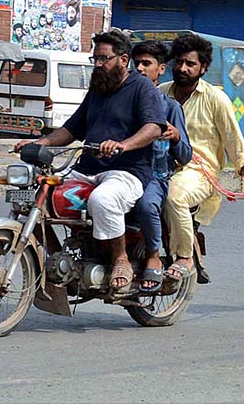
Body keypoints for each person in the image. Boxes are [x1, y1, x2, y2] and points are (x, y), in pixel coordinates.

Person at [14, 30, 167, 292]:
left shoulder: (141, 87)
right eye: (94, 59)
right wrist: (42, 143)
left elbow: (154, 127)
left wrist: (123, 144)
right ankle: (55, 257)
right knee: (33, 198)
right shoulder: (98, 90)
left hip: (127, 171)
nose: (97, 65)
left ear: (123, 59)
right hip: (87, 169)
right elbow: (72, 129)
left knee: (102, 199)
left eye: (103, 59)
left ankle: (121, 260)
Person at [158, 34, 244, 281]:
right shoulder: (160, 94)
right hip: (160, 166)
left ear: (203, 68)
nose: (182, 68)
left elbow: (236, 144)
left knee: (174, 196)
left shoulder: (216, 99)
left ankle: (184, 257)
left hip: (198, 173)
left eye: (190, 64)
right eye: (179, 62)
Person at [131, 41, 193, 293]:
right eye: (136, 63)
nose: (140, 69)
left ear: (161, 70)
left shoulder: (170, 107)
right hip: (122, 172)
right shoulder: (122, 100)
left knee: (146, 204)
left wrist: (176, 137)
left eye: (147, 64)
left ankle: (154, 256)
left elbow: (186, 155)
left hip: (154, 176)